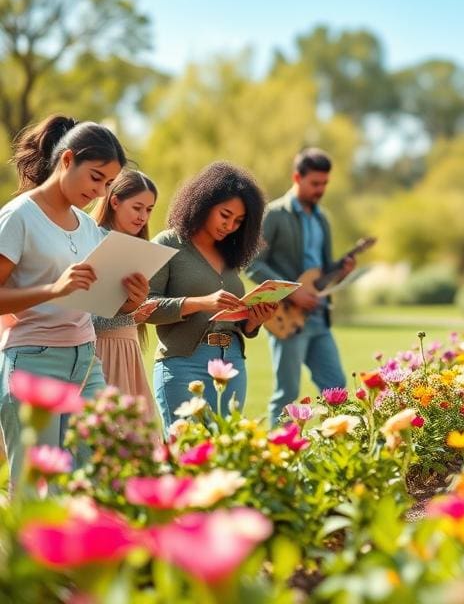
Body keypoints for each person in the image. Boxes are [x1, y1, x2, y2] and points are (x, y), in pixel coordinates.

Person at [0, 115, 148, 484]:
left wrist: (130, 300)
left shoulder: (86, 227)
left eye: (109, 183)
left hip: (85, 361)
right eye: (95, 177)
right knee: (36, 487)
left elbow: (101, 299)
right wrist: (54, 290)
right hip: (34, 361)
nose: (100, 191)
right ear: (67, 160)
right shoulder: (18, 217)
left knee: (100, 471)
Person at [146, 162, 276, 431]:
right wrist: (202, 303)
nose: (230, 226)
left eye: (238, 221)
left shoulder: (231, 255)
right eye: (225, 215)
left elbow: (235, 322)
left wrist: (254, 322)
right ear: (204, 203)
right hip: (183, 365)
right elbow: (146, 306)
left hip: (232, 363)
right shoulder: (168, 243)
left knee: (225, 452)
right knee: (186, 453)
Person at [247, 148, 355, 425]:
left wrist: (341, 271)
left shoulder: (322, 219)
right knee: (287, 395)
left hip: (319, 317)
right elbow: (252, 264)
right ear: (297, 177)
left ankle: (338, 453)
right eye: (315, 183)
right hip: (287, 318)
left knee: (337, 390)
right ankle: (277, 459)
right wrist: (293, 291)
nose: (321, 190)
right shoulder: (273, 215)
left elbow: (323, 270)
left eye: (325, 184)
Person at [90, 170, 159, 414]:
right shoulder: (93, 239)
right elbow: (84, 317)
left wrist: (137, 310)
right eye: (137, 207)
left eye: (149, 210)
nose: (143, 217)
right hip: (100, 352)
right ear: (115, 201)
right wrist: (131, 314)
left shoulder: (138, 248)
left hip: (127, 349)